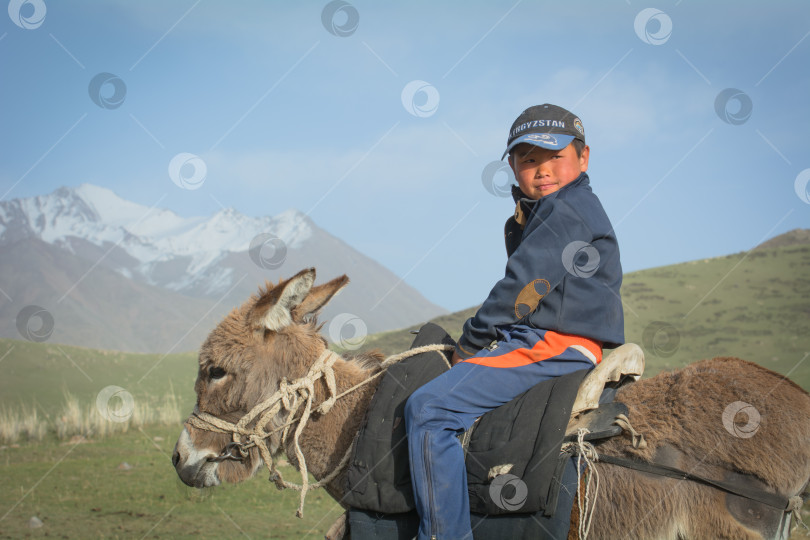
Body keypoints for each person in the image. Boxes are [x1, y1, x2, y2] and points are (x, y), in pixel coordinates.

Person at [404, 104, 625, 539]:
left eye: (555, 157)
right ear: (512, 166)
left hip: (554, 343)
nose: (542, 170)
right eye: (528, 160)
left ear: (583, 158)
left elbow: (525, 289)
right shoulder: (557, 208)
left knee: (428, 409)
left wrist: (469, 343)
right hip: (546, 337)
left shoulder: (568, 209)